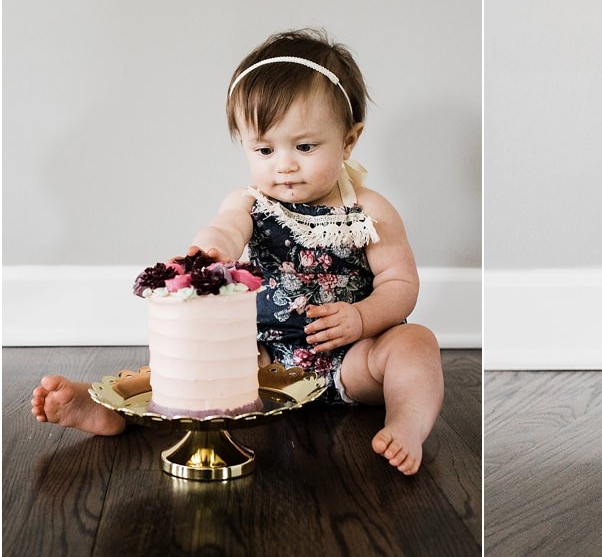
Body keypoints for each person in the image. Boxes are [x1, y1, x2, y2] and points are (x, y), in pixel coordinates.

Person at [32, 29, 446, 474]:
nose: (284, 164)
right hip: (260, 360)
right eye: (264, 149)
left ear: (348, 140)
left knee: (415, 343)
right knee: (193, 362)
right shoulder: (252, 202)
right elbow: (226, 228)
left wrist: (363, 318)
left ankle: (406, 422)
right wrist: (210, 253)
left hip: (352, 358)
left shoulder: (368, 210)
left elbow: (400, 283)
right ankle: (108, 408)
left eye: (305, 147)